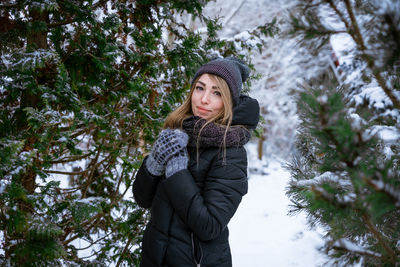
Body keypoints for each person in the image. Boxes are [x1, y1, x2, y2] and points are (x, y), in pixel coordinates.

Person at [133, 57, 260, 267]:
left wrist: (177, 171)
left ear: (229, 102)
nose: (204, 99)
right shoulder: (177, 133)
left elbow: (209, 226)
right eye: (200, 88)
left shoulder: (231, 153)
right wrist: (155, 161)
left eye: (216, 93)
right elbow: (142, 199)